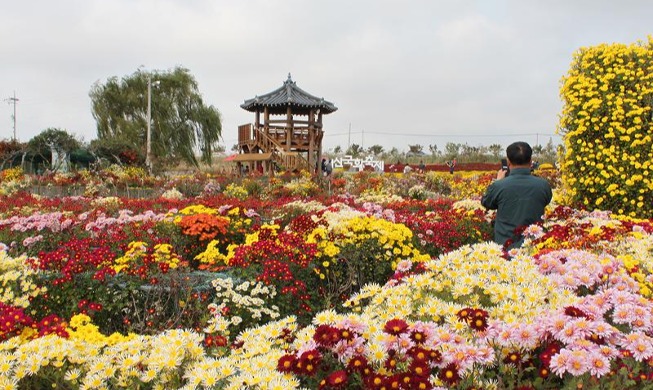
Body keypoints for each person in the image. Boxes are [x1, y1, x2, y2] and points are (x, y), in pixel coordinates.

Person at [481, 142, 552, 249]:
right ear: (530, 160)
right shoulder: (543, 185)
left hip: (505, 245)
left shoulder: (499, 186)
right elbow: (546, 200)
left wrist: (497, 181)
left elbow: (486, 202)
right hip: (534, 245)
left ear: (508, 161)